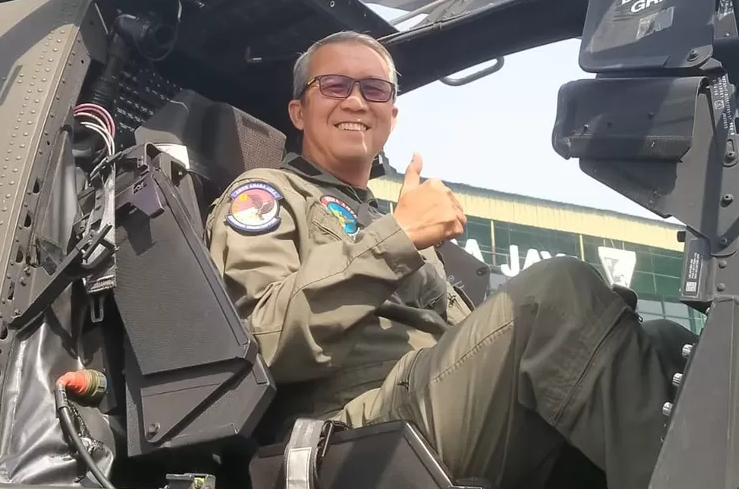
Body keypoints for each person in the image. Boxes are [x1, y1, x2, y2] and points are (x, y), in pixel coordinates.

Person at [205, 30, 698, 489]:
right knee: (557, 293)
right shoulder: (267, 194)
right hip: (350, 427)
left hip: (435, 400)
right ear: (298, 111)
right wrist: (396, 238)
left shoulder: (389, 218)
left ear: (392, 115)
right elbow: (260, 342)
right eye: (334, 85)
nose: (355, 101)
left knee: (664, 342)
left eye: (374, 90)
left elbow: (465, 339)